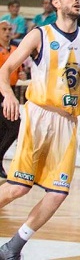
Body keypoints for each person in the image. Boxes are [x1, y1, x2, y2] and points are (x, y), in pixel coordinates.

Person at [0, 0, 80, 260]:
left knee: (58, 192)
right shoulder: (40, 34)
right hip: (39, 116)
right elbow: (6, 68)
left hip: (68, 122)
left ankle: (13, 247)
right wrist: (8, 95)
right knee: (18, 187)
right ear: (56, 3)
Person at [0, 21, 24, 179]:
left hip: (11, 91)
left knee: (6, 128)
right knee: (15, 125)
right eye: (4, 29)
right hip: (2, 91)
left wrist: (22, 74)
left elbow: (19, 70)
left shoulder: (15, 49)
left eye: (10, 29)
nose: (8, 32)